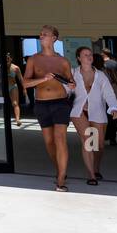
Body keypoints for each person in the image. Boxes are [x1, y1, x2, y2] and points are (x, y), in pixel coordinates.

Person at [23, 24, 75, 192]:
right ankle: (60, 169)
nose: (41, 36)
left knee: (60, 139)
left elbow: (71, 82)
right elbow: (25, 83)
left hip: (60, 103)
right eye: (40, 34)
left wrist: (72, 85)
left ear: (54, 38)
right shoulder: (33, 59)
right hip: (41, 104)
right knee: (49, 142)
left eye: (45, 34)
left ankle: (61, 179)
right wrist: (43, 79)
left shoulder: (63, 61)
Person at [71, 46, 117, 186]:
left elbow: (109, 93)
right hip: (79, 111)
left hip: (98, 111)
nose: (89, 57)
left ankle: (96, 167)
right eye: (85, 55)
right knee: (88, 139)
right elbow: (64, 91)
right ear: (78, 58)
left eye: (90, 54)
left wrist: (113, 108)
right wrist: (68, 89)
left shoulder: (100, 75)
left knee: (98, 144)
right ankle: (91, 175)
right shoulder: (73, 73)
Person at [3, 52, 26, 125]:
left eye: (8, 58)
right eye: (6, 58)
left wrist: (24, 88)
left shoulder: (15, 68)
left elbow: (21, 79)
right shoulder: (0, 67)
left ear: (11, 59)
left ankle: (17, 119)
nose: (7, 59)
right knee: (3, 103)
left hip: (13, 86)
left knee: (15, 103)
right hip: (4, 87)